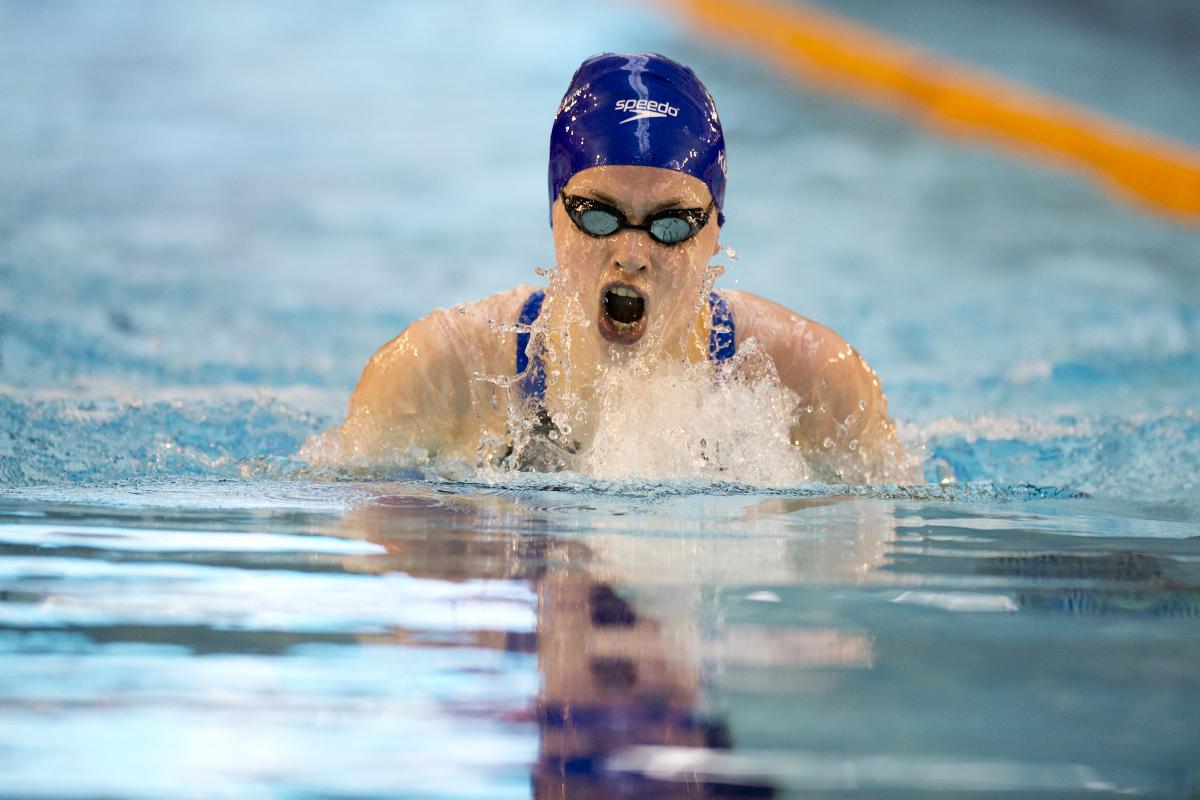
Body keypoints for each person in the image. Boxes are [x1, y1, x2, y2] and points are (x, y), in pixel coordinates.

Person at [325, 53, 904, 482]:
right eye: (598, 216)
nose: (631, 253)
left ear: (715, 234)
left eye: (671, 224)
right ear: (554, 215)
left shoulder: (817, 383)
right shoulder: (437, 374)